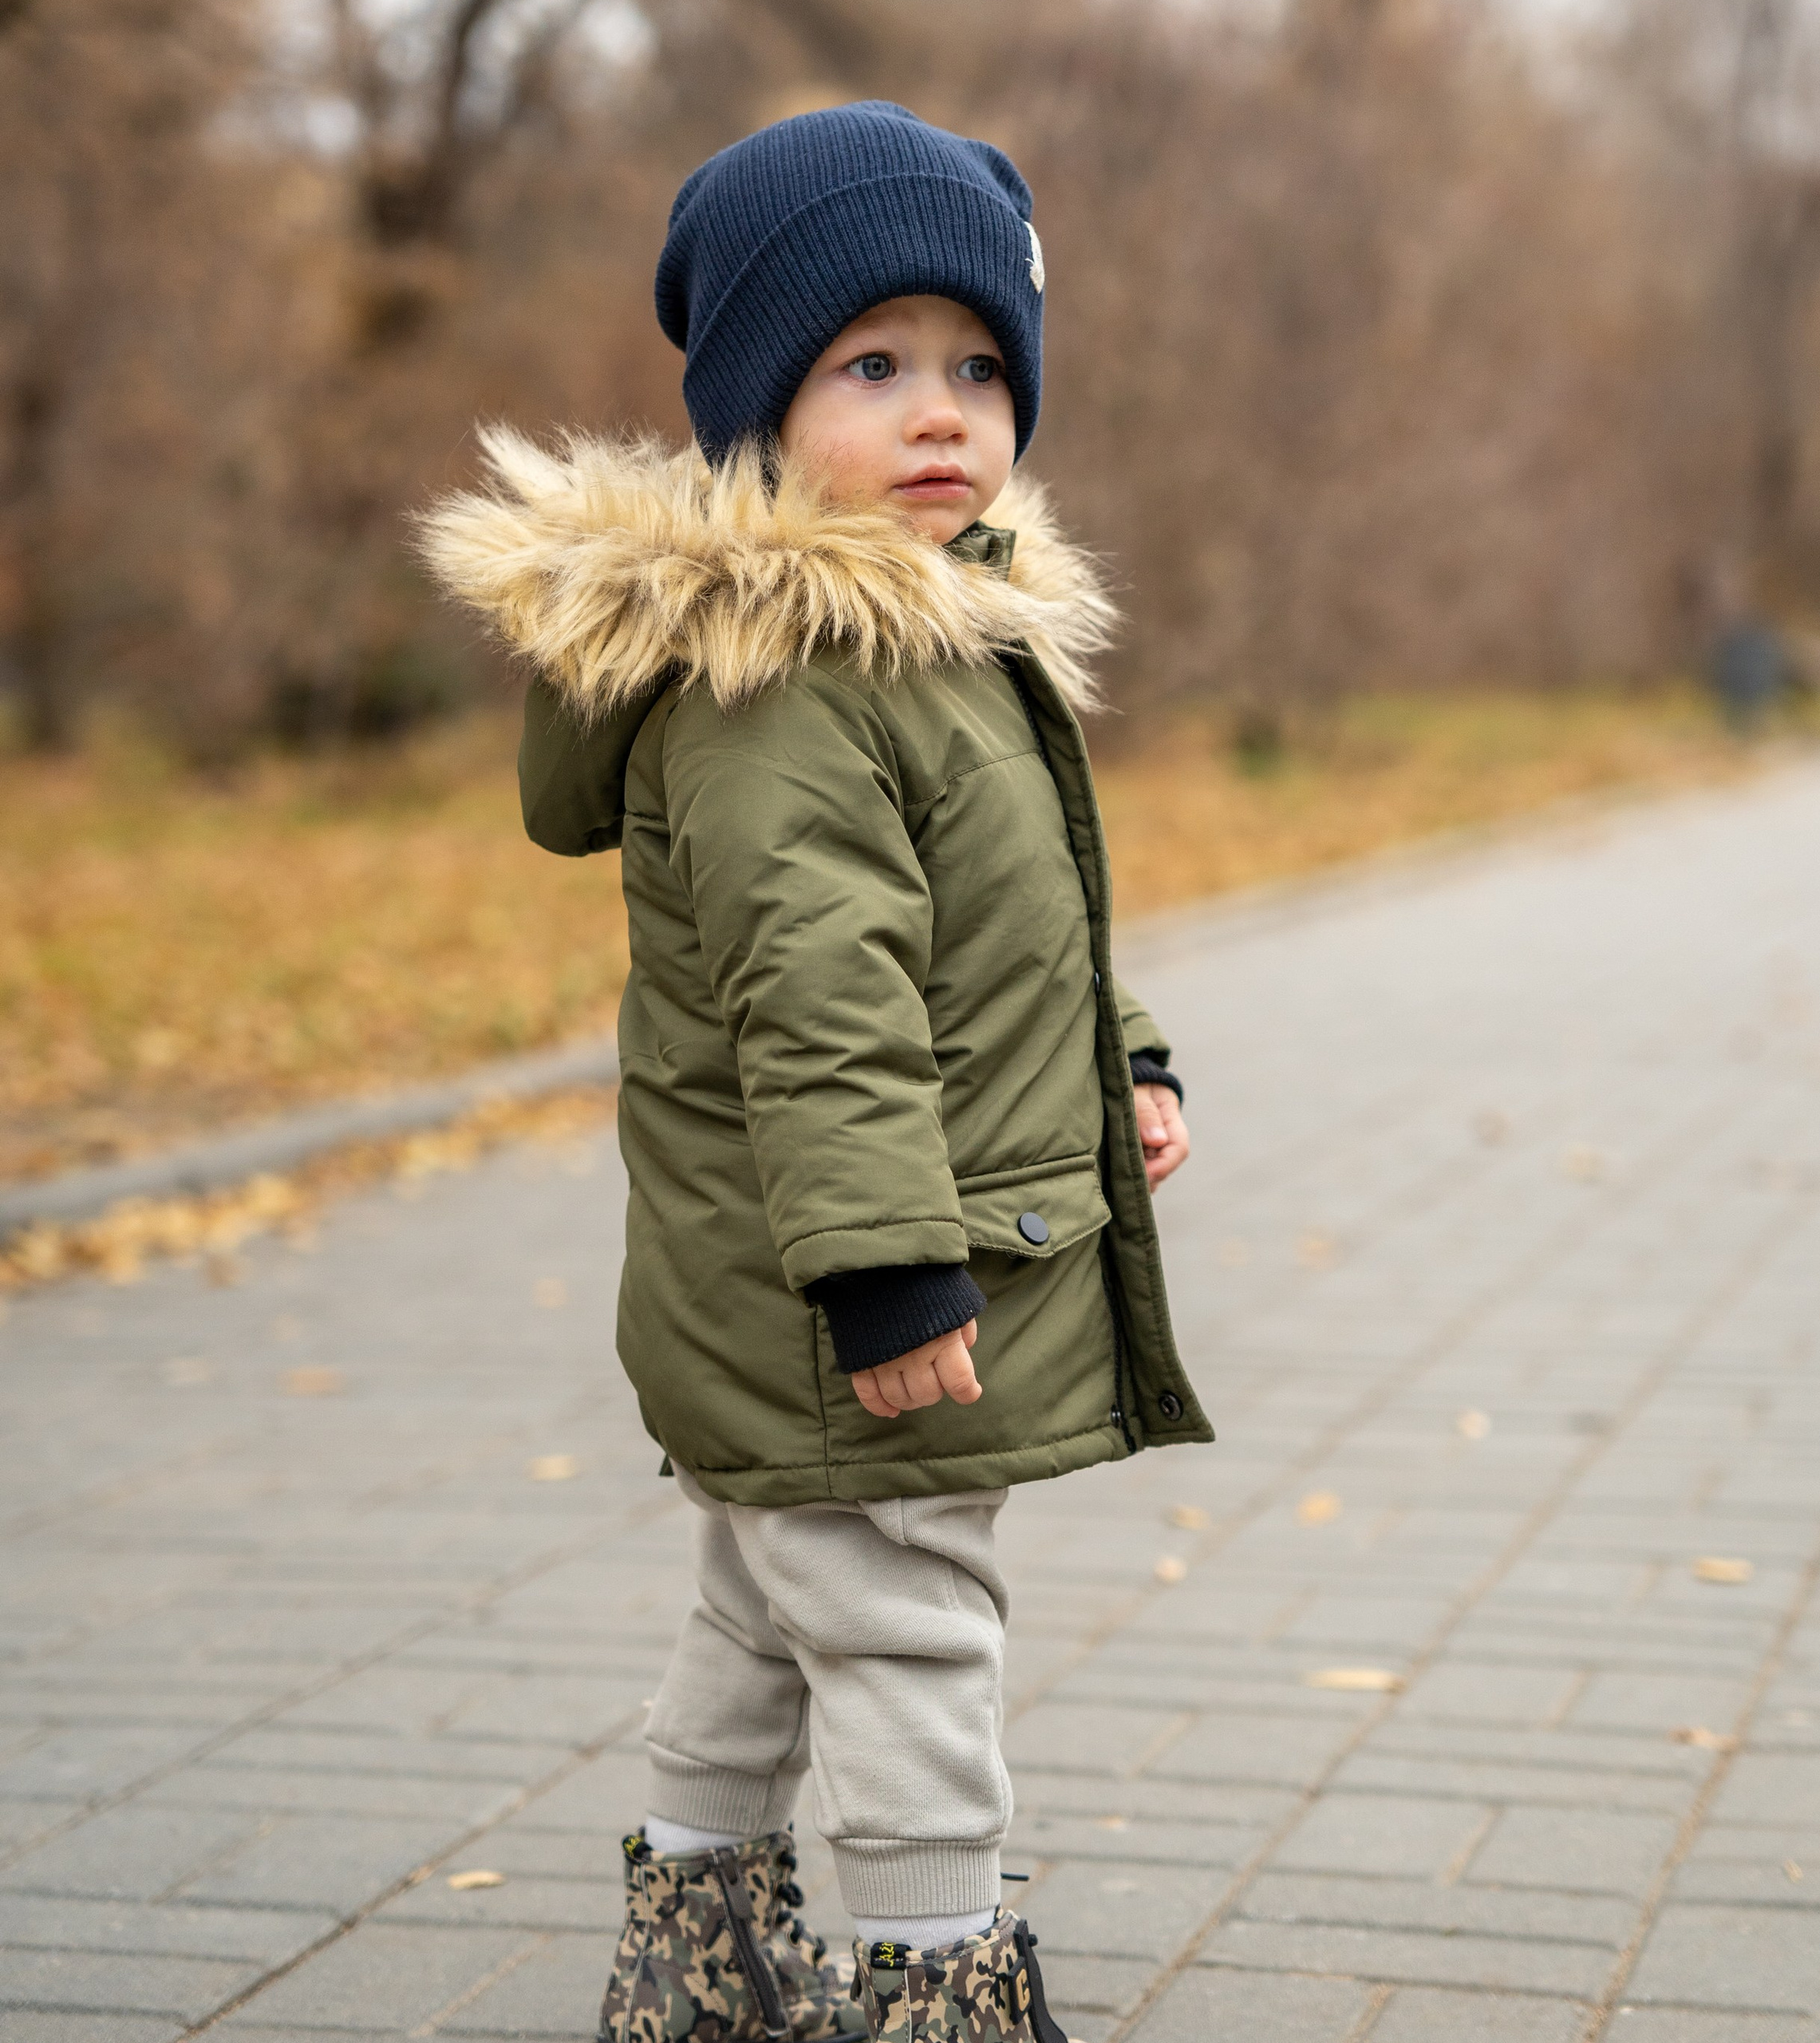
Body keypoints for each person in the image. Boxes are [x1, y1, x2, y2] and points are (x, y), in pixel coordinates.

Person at [421, 101, 1211, 2043]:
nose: (940, 411)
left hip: (846, 1256)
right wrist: (883, 1272)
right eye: (872, 366)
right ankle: (942, 1985)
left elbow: (1021, 914)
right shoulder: (781, 685)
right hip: (845, 1276)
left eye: (976, 367)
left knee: (767, 1606)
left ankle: (696, 1959)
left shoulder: (939, 635)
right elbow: (820, 1001)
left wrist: (1121, 1055)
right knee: (908, 1614)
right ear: (756, 410)